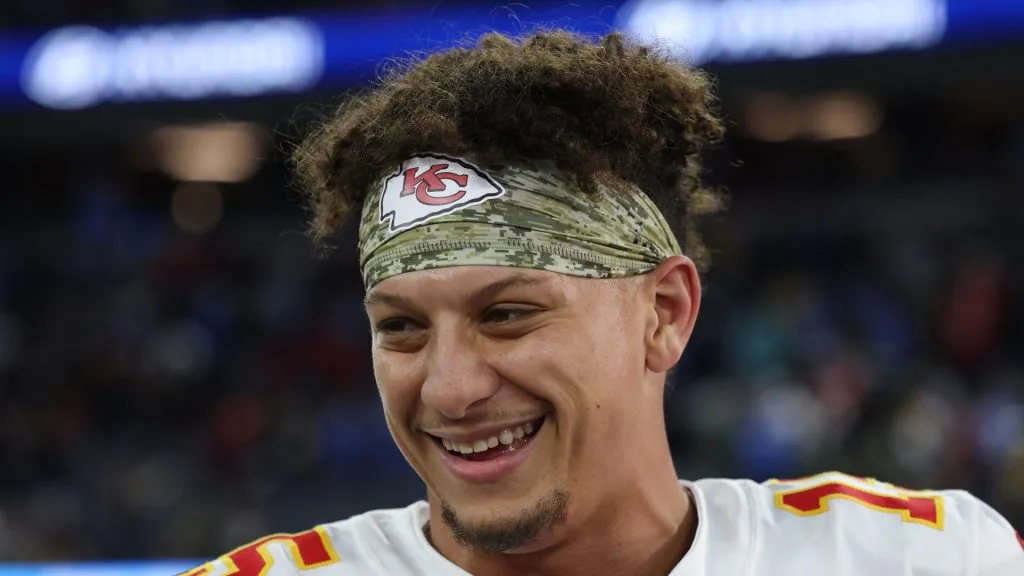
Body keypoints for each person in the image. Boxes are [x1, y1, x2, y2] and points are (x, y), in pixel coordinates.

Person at [181, 31, 1024, 576]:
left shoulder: (916, 560)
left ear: (664, 313)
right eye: (400, 328)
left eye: (506, 313)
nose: (448, 389)